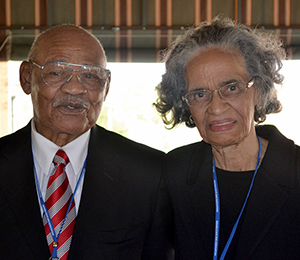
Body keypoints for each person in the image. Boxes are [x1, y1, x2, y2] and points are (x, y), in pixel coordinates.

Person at [0, 24, 174, 260]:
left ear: (106, 87)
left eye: (90, 76)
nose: (74, 88)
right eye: (56, 72)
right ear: (26, 78)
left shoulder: (150, 174)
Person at [154, 16, 300, 260]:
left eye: (231, 88)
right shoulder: (172, 172)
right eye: (199, 94)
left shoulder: (295, 172)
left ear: (259, 90)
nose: (216, 108)